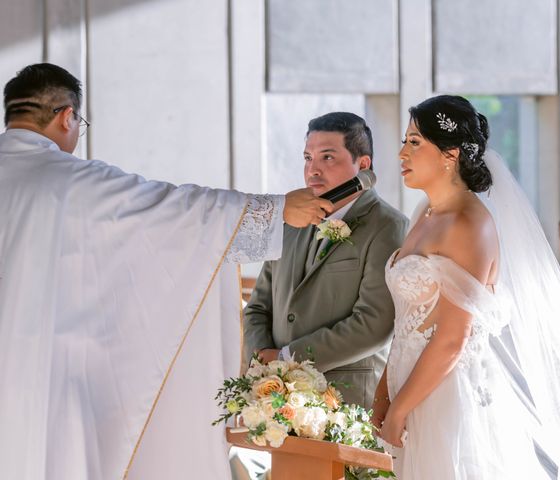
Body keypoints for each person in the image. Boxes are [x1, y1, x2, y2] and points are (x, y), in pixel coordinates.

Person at [0, 63, 333, 480]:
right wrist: (276, 209)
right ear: (67, 116)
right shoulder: (71, 181)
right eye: (79, 123)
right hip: (47, 378)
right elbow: (170, 209)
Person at [373, 95, 560, 478]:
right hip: (409, 384)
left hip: (449, 395)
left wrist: (399, 408)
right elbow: (406, 324)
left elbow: (453, 336)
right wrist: (385, 394)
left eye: (414, 142)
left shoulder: (470, 222)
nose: (401, 152)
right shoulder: (425, 215)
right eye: (404, 140)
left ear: (450, 154)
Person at [243, 112, 407, 407]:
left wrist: (287, 358)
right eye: (308, 158)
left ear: (363, 164)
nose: (312, 170)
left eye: (327, 158)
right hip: (276, 400)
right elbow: (257, 307)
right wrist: (262, 362)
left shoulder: (388, 227)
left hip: (345, 401)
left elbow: (375, 324)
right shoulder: (290, 221)